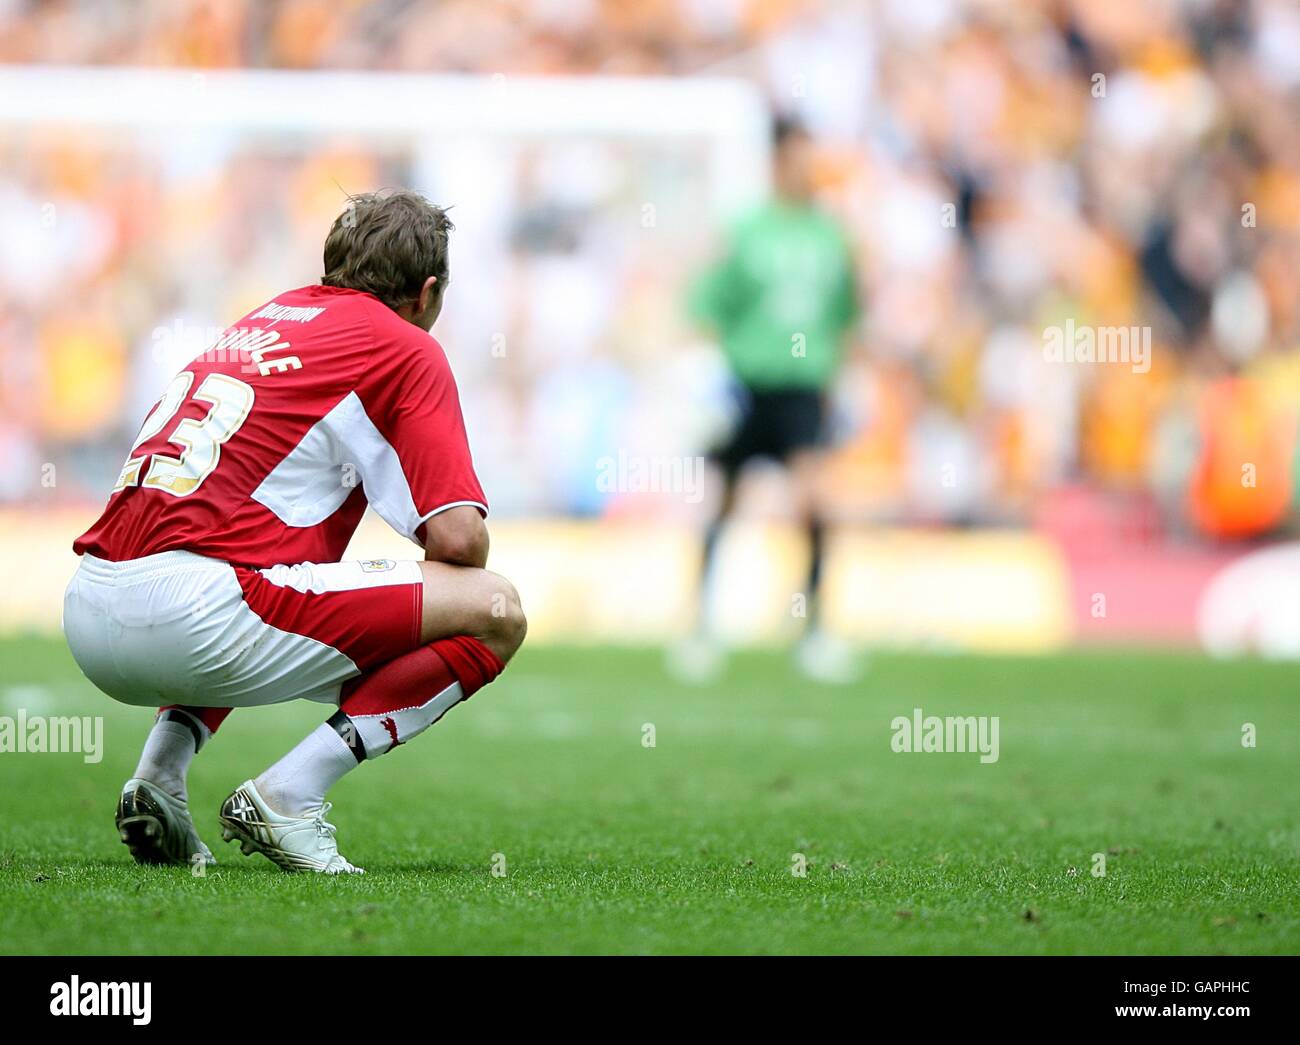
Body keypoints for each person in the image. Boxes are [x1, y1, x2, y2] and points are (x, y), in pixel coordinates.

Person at [63, 190, 526, 875]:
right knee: (495, 609)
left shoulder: (267, 318)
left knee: (254, 562)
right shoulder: (404, 346)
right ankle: (288, 794)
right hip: (194, 614)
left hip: (90, 608)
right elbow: (459, 542)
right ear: (427, 292)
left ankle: (159, 775)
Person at [677, 116, 861, 682]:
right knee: (724, 505)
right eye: (800, 155)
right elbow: (707, 306)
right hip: (746, 386)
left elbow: (846, 317)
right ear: (779, 160)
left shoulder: (833, 236)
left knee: (815, 503)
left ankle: (813, 629)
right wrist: (710, 378)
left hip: (802, 390)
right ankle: (700, 626)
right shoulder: (746, 231)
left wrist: (841, 382)